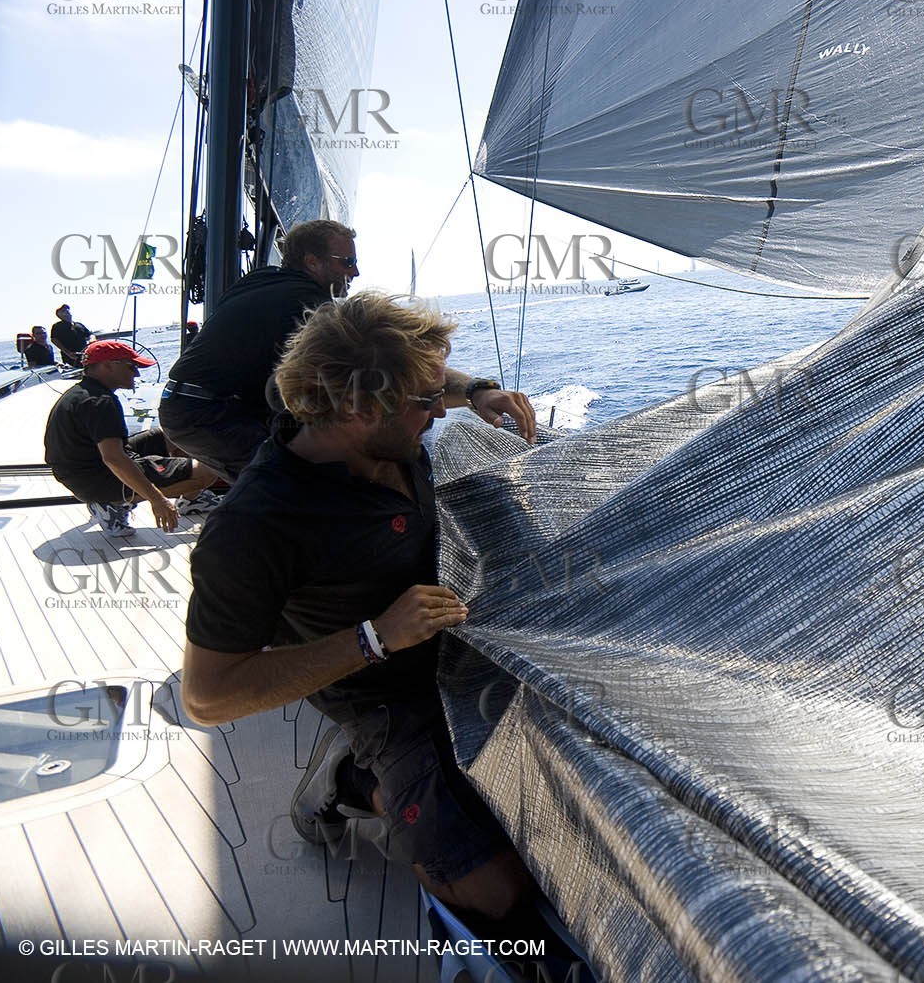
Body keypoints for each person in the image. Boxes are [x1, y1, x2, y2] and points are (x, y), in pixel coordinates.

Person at [179, 293, 578, 966]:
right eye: (426, 402)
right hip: (381, 691)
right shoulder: (253, 527)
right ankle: (350, 777)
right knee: (495, 893)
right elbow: (208, 695)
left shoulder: (367, 416)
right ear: (360, 408)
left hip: (452, 642)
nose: (439, 412)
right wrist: (376, 636)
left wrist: (478, 389)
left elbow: (427, 385)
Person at [161, 218, 535, 482]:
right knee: (300, 483)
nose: (354, 273)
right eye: (348, 262)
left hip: (187, 405)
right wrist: (475, 390)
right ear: (312, 262)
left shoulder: (260, 282)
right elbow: (399, 367)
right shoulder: (306, 303)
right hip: (208, 413)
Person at [43, 340, 221, 538]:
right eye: (131, 367)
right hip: (97, 479)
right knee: (208, 471)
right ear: (108, 365)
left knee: (175, 436)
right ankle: (113, 503)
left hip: (80, 473)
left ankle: (191, 499)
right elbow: (113, 458)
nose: (136, 374)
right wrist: (157, 500)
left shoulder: (79, 394)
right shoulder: (99, 402)